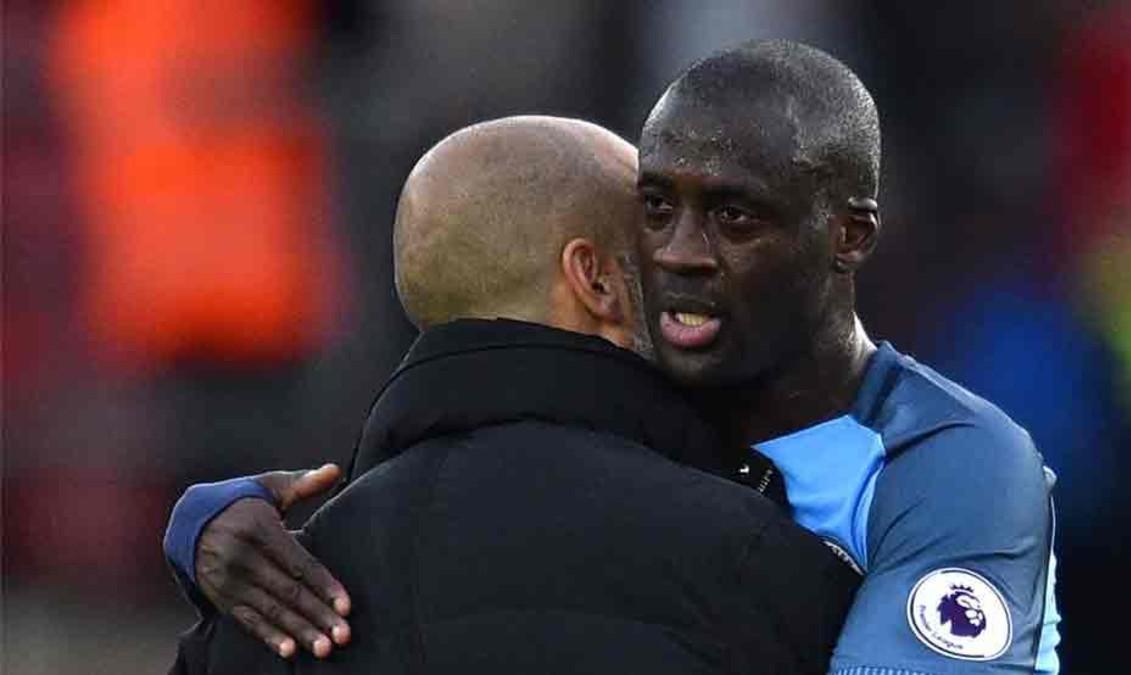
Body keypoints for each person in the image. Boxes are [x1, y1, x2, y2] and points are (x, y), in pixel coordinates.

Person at [166, 41, 1061, 674]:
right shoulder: (662, 426)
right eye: (656, 211)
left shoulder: (950, 463)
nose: (678, 253)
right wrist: (204, 522)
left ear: (849, 236)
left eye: (733, 216)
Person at [168, 115, 859, 674]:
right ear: (595, 280)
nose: (687, 264)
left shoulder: (273, 611)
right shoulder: (755, 561)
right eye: (655, 234)